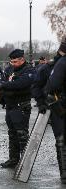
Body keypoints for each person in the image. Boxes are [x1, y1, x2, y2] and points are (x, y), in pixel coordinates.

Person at [0, 49, 36, 168]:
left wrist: (4, 86)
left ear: (22, 60)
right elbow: (0, 81)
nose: (12, 64)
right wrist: (2, 85)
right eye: (11, 61)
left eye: (15, 61)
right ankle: (13, 159)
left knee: (22, 134)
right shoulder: (9, 69)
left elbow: (21, 84)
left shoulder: (29, 70)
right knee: (12, 133)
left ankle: (25, 162)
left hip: (21, 105)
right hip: (10, 105)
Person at [46, 41, 66, 183]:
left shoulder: (62, 63)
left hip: (62, 105)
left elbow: (53, 84)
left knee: (61, 139)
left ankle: (64, 174)